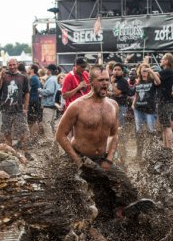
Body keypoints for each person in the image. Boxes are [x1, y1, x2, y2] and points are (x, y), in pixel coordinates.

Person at [55, 65, 153, 221]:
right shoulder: (77, 106)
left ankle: (121, 212)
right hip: (77, 157)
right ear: (91, 82)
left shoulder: (112, 105)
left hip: (101, 158)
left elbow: (114, 134)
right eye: (101, 80)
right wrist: (78, 161)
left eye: (107, 80)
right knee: (65, 197)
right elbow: (60, 135)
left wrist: (109, 158)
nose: (105, 83)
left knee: (127, 186)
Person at [0, 58, 31, 158]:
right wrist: (1, 77)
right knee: (7, 132)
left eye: (13, 65)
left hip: (19, 109)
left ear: (17, 65)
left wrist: (26, 107)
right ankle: (10, 153)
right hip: (6, 109)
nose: (12, 67)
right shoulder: (5, 76)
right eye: (10, 65)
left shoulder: (23, 77)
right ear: (7, 66)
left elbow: (27, 93)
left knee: (23, 132)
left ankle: (26, 152)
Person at [132, 62, 160, 160]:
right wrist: (133, 104)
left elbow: (159, 82)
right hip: (138, 109)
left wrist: (151, 71)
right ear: (139, 71)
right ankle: (139, 153)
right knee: (138, 131)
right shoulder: (138, 81)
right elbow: (136, 93)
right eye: (142, 69)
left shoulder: (152, 80)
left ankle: (152, 153)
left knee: (150, 130)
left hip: (149, 109)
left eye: (145, 69)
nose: (144, 71)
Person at [157, 53, 173, 149]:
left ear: (167, 61)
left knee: (167, 125)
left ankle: (168, 148)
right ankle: (165, 147)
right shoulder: (165, 71)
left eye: (162, 59)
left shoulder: (168, 71)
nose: (161, 60)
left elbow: (156, 75)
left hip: (167, 101)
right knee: (164, 126)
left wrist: (149, 69)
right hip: (163, 101)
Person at [38, 64, 59, 141]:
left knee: (46, 123)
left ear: (50, 70)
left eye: (47, 69)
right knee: (52, 123)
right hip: (54, 104)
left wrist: (40, 91)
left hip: (49, 104)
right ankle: (55, 139)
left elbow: (50, 91)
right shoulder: (56, 78)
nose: (46, 71)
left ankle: (50, 140)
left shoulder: (50, 79)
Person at [27, 64, 42, 142]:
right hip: (35, 100)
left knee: (32, 120)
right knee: (33, 119)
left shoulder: (33, 78)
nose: (27, 69)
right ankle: (34, 137)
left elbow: (28, 90)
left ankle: (33, 137)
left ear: (32, 70)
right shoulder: (36, 78)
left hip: (32, 100)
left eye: (29, 68)